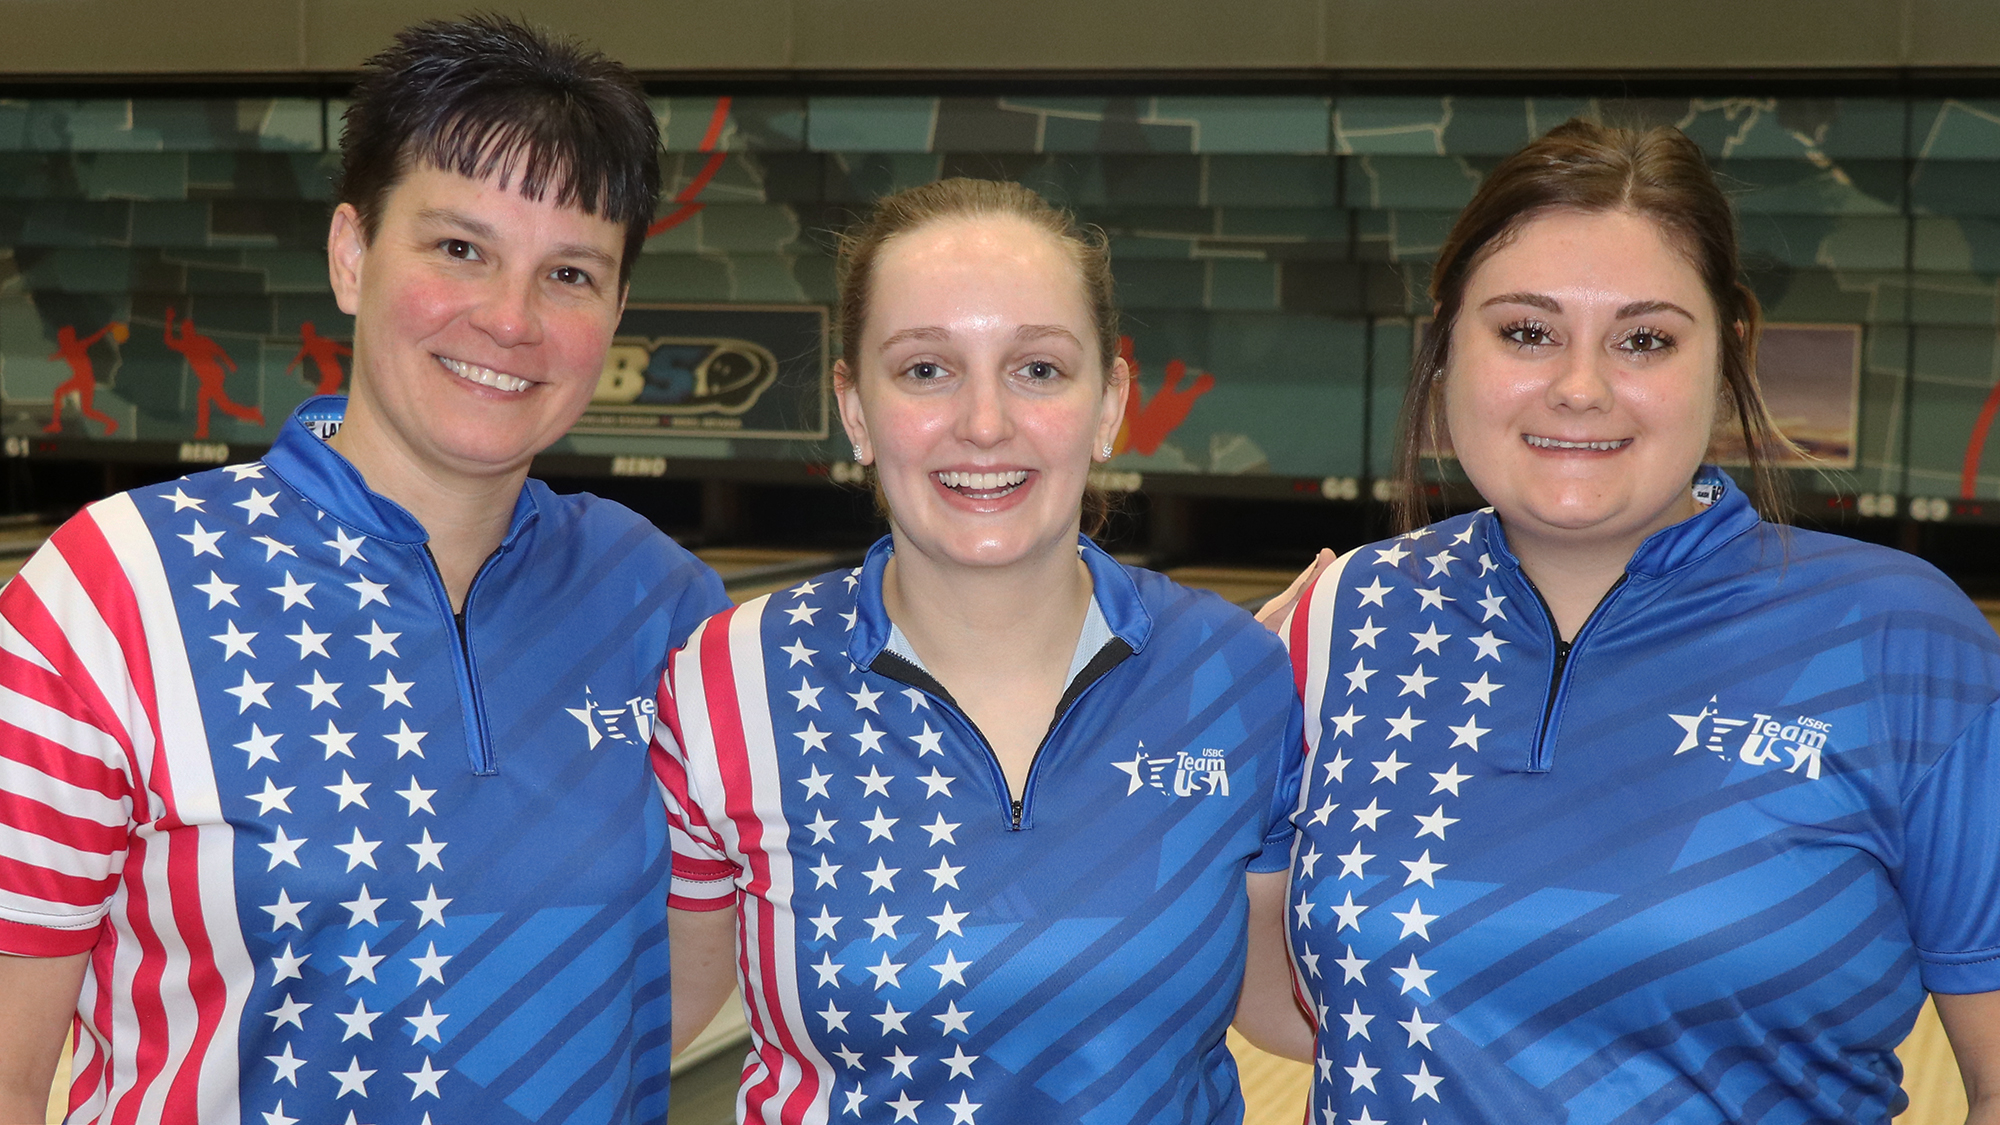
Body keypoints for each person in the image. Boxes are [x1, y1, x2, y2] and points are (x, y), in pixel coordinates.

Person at [0, 16, 727, 1125]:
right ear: (352, 254)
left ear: (617, 310)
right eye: (459, 248)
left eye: (570, 272)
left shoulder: (664, 606)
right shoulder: (110, 590)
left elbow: (663, 991)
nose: (510, 318)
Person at [1240, 119, 2000, 1124]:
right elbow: (1303, 1011)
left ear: (1726, 354)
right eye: (1524, 331)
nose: (1579, 387)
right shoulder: (1337, 623)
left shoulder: (1901, 646)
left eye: (1642, 339)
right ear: (1442, 345)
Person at [655, 178, 1303, 1123]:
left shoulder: (1235, 675)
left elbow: (1296, 1003)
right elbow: (638, 1015)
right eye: (926, 369)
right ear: (855, 408)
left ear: (1111, 400)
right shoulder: (731, 678)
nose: (985, 422)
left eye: (1037, 368)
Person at [164, 305, 265, 437]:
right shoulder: (185, 344)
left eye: (188, 328)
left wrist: (229, 363)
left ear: (192, 330)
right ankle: (253, 413)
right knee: (224, 406)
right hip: (208, 378)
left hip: (215, 376)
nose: (185, 331)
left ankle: (203, 430)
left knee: (204, 398)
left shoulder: (202, 341)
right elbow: (169, 341)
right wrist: (169, 320)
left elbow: (219, 351)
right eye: (184, 329)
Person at [43, 322, 125, 435]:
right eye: (60, 337)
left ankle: (111, 423)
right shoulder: (66, 350)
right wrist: (49, 358)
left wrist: (108, 327)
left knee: (85, 410)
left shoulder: (78, 346)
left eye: (62, 337)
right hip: (80, 379)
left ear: (67, 338)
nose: (60, 339)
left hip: (86, 380)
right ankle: (56, 424)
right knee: (68, 398)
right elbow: (56, 355)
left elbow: (95, 337)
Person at [287, 320, 354, 396]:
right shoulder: (320, 342)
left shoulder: (316, 343)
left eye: (304, 332)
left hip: (332, 375)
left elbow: (344, 351)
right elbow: (345, 351)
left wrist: (290, 367)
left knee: (320, 398)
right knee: (322, 398)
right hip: (333, 374)